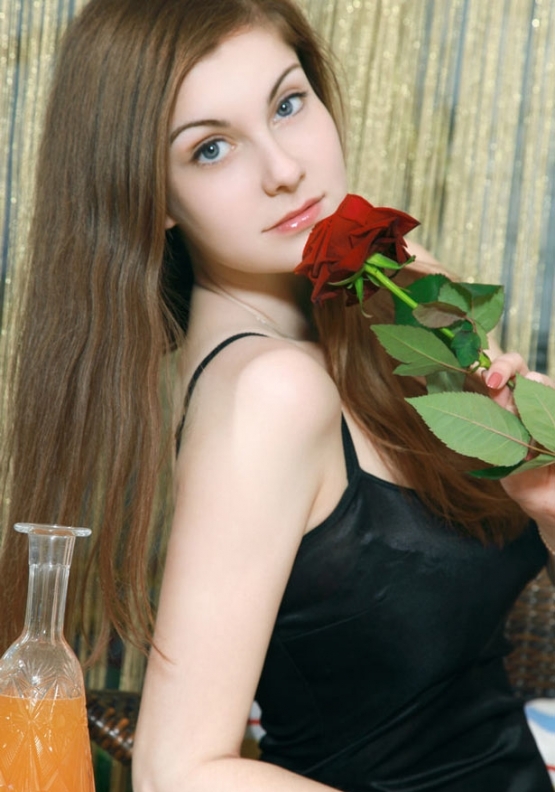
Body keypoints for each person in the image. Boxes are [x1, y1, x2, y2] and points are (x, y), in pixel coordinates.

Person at [1, 0, 555, 790]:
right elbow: (175, 770)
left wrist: (542, 501)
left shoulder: (399, 302)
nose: (283, 169)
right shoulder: (270, 393)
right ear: (152, 195)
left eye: (288, 103)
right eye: (211, 148)